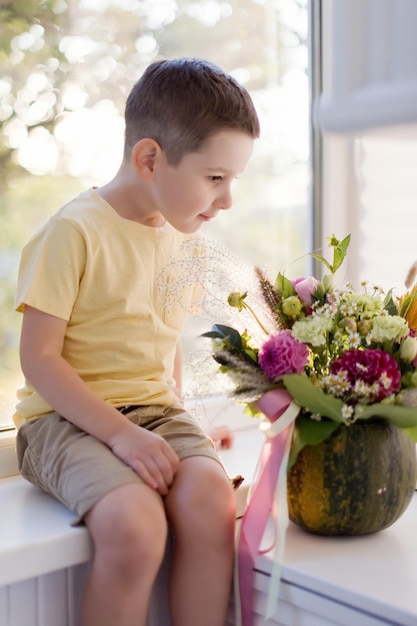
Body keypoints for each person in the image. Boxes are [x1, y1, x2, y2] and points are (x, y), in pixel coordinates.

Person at [14, 57, 260, 626]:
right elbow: (38, 360)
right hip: (61, 420)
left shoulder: (184, 235)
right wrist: (124, 435)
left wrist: (185, 421)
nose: (226, 201)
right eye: (215, 178)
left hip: (153, 412)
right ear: (150, 158)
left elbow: (158, 339)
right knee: (136, 526)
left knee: (211, 501)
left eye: (233, 182)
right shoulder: (73, 232)